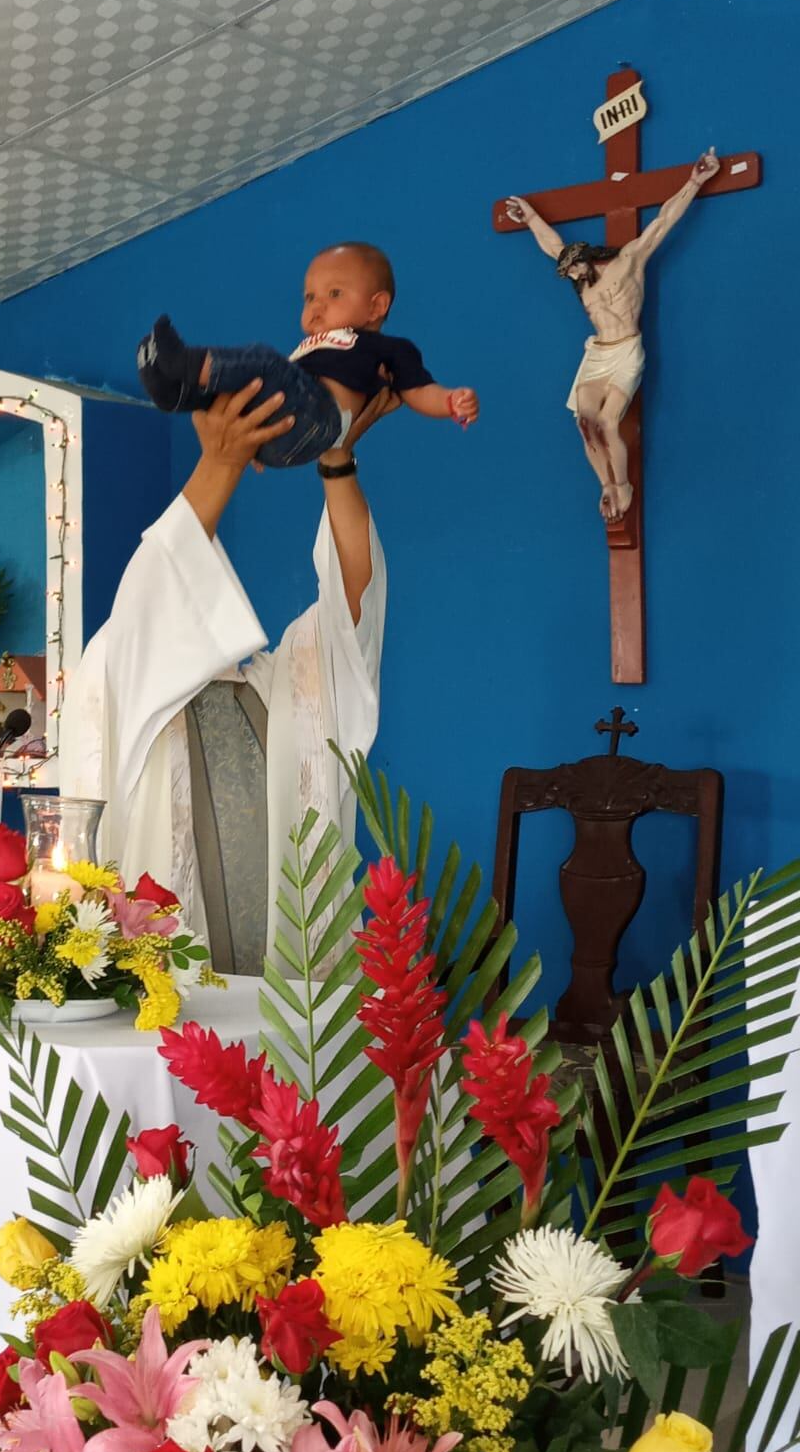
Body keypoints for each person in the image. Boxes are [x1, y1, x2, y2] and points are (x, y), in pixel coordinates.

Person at [59, 377, 398, 978]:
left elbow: (355, 605)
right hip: (166, 992)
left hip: (288, 992)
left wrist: (338, 463)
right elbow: (152, 580)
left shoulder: (272, 687)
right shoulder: (126, 680)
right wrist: (220, 462)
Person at [505, 148, 720, 521]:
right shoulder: (580, 284)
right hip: (598, 353)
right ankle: (605, 484)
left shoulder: (628, 261)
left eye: (574, 269)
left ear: (586, 258)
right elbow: (553, 246)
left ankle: (623, 485)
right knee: (584, 423)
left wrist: (695, 181)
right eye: (567, 273)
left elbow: (663, 222)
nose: (571, 277)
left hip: (626, 352)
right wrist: (531, 217)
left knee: (607, 423)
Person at [136, 242, 479, 467]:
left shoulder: (387, 348)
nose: (316, 307)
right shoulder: (309, 349)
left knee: (263, 360)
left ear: (377, 306)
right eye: (309, 297)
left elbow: (417, 390)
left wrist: (450, 401)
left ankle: (186, 363)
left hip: (320, 418)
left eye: (333, 293)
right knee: (247, 385)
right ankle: (177, 393)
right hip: (282, 436)